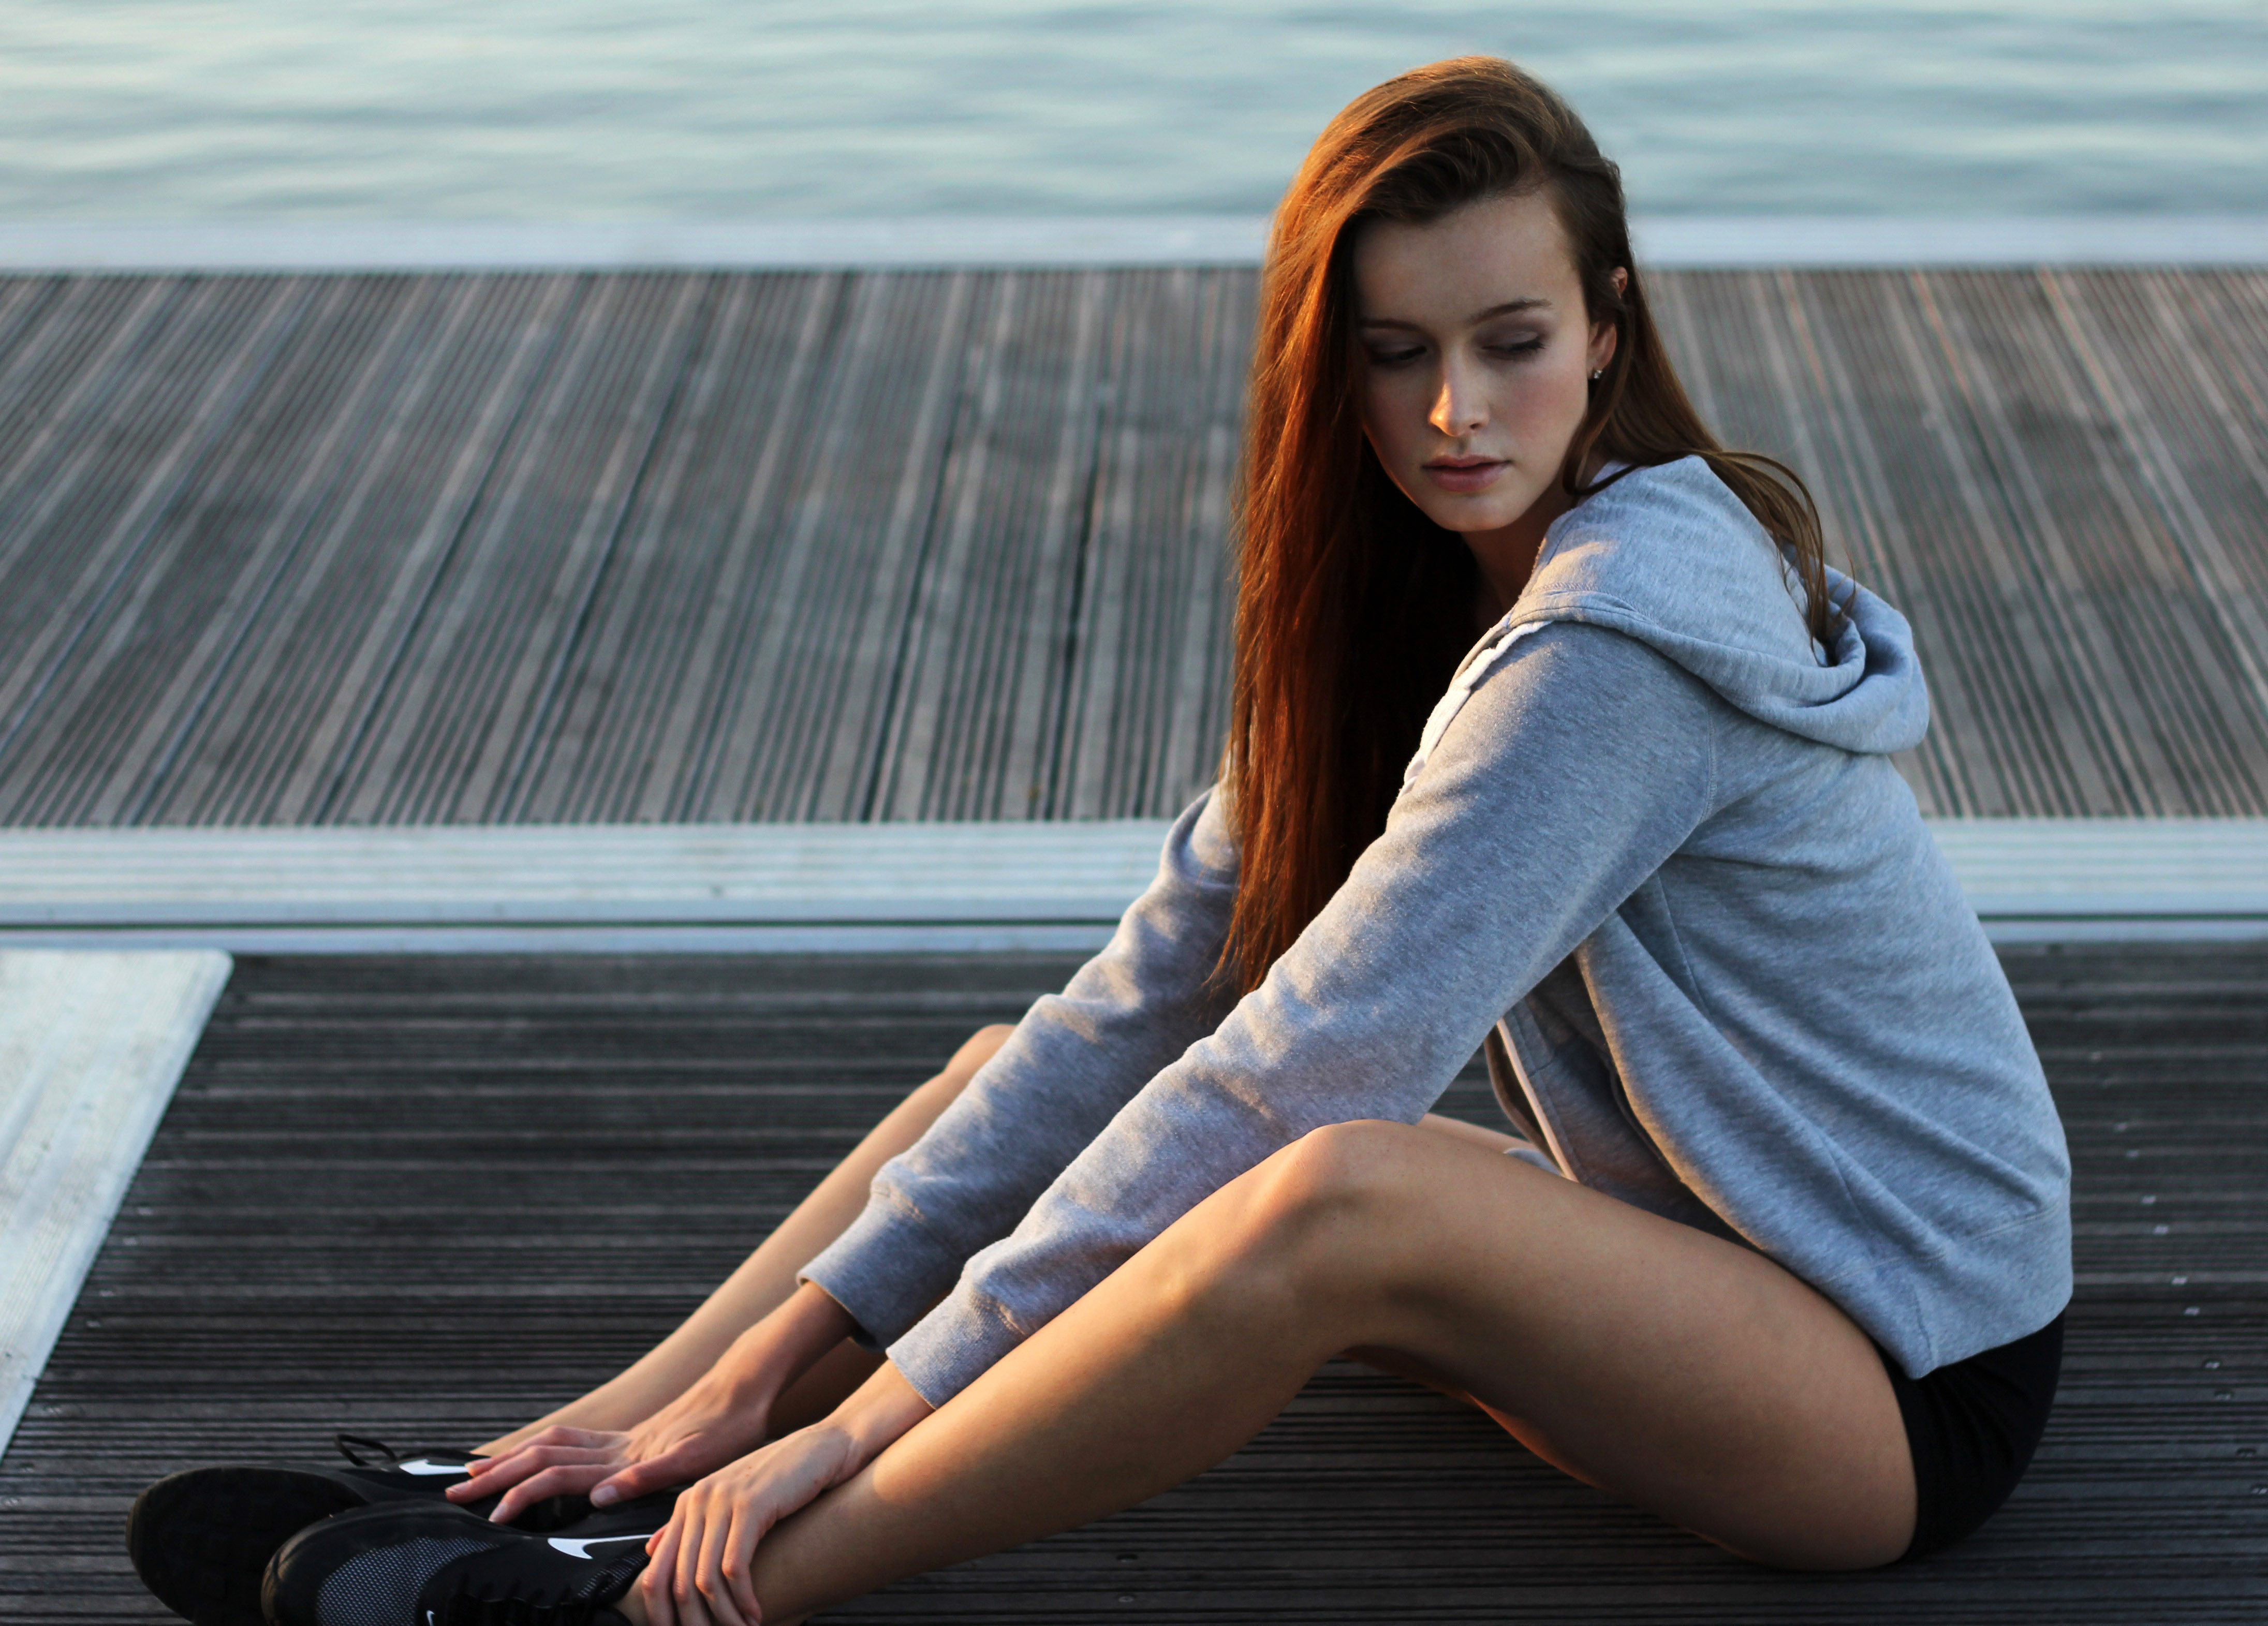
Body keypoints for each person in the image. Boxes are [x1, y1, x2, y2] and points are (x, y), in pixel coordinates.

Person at [136, 55, 2073, 1626]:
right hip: (1690, 1274)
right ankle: (587, 1455)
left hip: (1892, 1382)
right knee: (1019, 1081)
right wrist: (737, 1383)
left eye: (1511, 340)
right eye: (1396, 353)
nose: (1456, 412)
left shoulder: (1614, 649)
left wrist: (867, 1418)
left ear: (1608, 327)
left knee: (1344, 1187)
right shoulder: (1412, 616)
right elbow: (1148, 1006)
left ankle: (676, 1592)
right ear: (1331, 360)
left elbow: (1314, 1061)